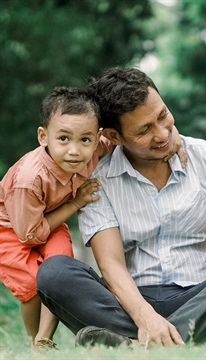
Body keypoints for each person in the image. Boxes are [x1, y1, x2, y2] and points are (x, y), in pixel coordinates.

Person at [36, 67, 206, 348]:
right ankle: (196, 339)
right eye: (145, 130)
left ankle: (132, 345)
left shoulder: (202, 156)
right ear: (114, 136)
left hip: (205, 296)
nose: (162, 134)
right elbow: (111, 265)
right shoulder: (99, 181)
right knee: (54, 272)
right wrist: (146, 317)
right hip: (132, 303)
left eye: (163, 116)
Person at [0, 87, 112, 349]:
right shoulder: (30, 179)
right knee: (30, 285)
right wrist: (77, 201)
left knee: (58, 271)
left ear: (96, 140)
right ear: (43, 136)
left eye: (84, 140)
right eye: (63, 138)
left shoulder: (94, 150)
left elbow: (122, 137)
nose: (74, 151)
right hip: (11, 229)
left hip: (48, 222)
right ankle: (32, 341)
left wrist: (173, 140)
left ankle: (44, 340)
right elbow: (29, 234)